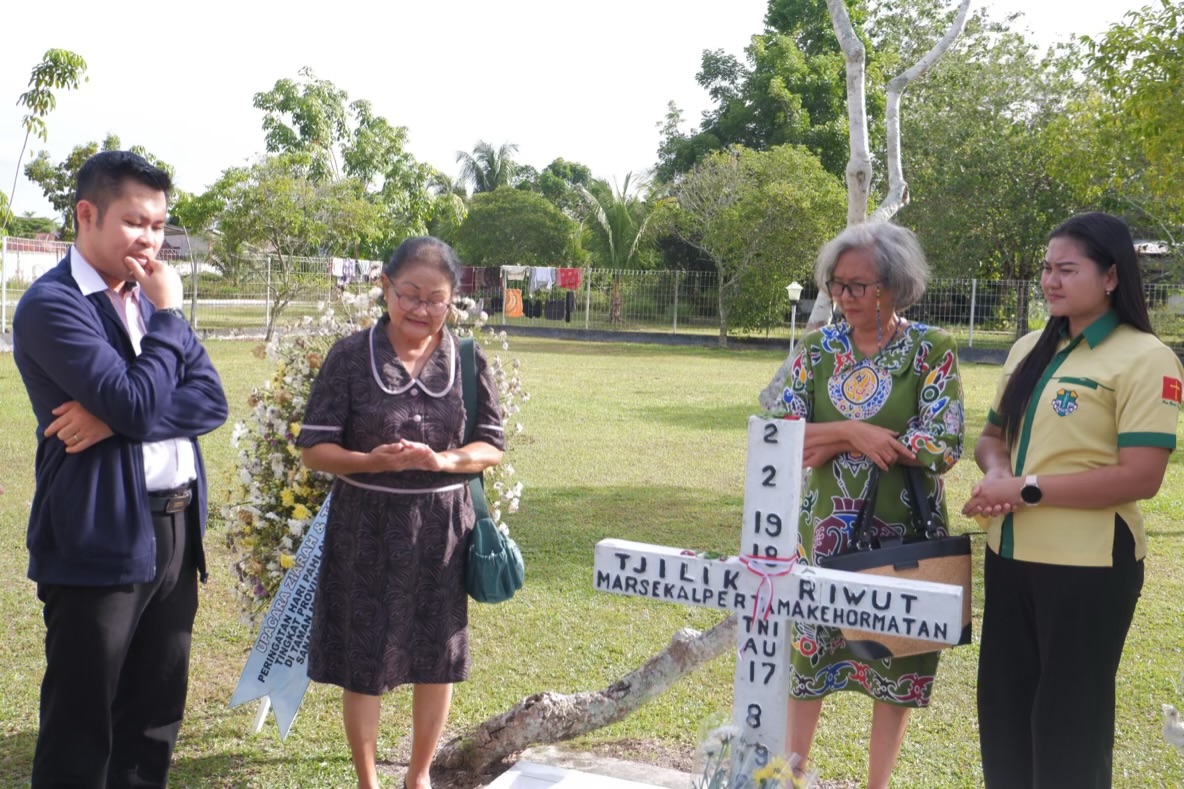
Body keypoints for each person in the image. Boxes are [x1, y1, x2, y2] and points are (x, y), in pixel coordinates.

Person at [11, 150, 228, 787]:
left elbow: (210, 399)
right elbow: (140, 398)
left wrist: (113, 418)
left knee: (153, 719)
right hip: (96, 534)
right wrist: (164, 323)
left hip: (175, 531)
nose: (151, 240)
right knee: (82, 725)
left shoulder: (143, 297)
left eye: (160, 225)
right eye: (137, 221)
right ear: (87, 214)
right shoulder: (54, 306)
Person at [963, 212, 1182, 788]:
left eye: (1067, 269)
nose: (1050, 281)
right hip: (1009, 560)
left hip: (1088, 569)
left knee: (1068, 729)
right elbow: (990, 440)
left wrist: (1025, 489)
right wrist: (997, 474)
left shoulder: (1146, 357)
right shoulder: (1028, 349)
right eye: (1045, 268)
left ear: (1111, 277)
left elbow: (1140, 477)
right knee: (1004, 719)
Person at [297, 236, 505, 789]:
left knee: (436, 657)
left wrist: (443, 460)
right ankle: (368, 782)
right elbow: (314, 448)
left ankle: (418, 777)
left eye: (435, 299)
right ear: (384, 288)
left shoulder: (466, 358)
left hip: (442, 532)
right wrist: (371, 461)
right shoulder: (349, 355)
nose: (420, 309)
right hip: (364, 527)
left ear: (452, 300)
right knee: (365, 661)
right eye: (409, 294)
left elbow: (492, 444)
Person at [771, 222, 964, 788]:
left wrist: (826, 435)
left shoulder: (932, 350)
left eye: (858, 286)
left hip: (904, 537)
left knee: (895, 666)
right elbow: (781, 439)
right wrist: (857, 433)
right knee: (809, 661)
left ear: (895, 285)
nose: (844, 298)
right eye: (837, 285)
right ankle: (789, 778)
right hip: (822, 537)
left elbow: (941, 446)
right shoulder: (818, 349)